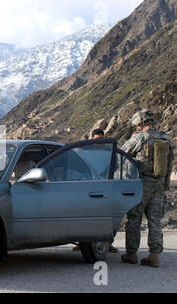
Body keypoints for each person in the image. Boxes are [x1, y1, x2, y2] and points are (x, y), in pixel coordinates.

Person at [121, 109, 173, 268]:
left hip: (140, 185)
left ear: (140, 123)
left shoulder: (139, 138)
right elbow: (169, 165)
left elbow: (122, 154)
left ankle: (131, 254)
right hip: (158, 185)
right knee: (155, 221)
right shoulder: (166, 138)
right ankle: (154, 255)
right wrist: (165, 185)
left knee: (134, 220)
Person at [73, 128, 119, 253]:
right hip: (87, 188)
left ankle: (107, 243)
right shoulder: (85, 152)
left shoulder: (109, 153)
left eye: (101, 139)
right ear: (92, 139)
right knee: (84, 216)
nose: (99, 142)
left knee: (105, 218)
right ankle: (82, 243)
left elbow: (115, 167)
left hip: (104, 188)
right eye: (97, 140)